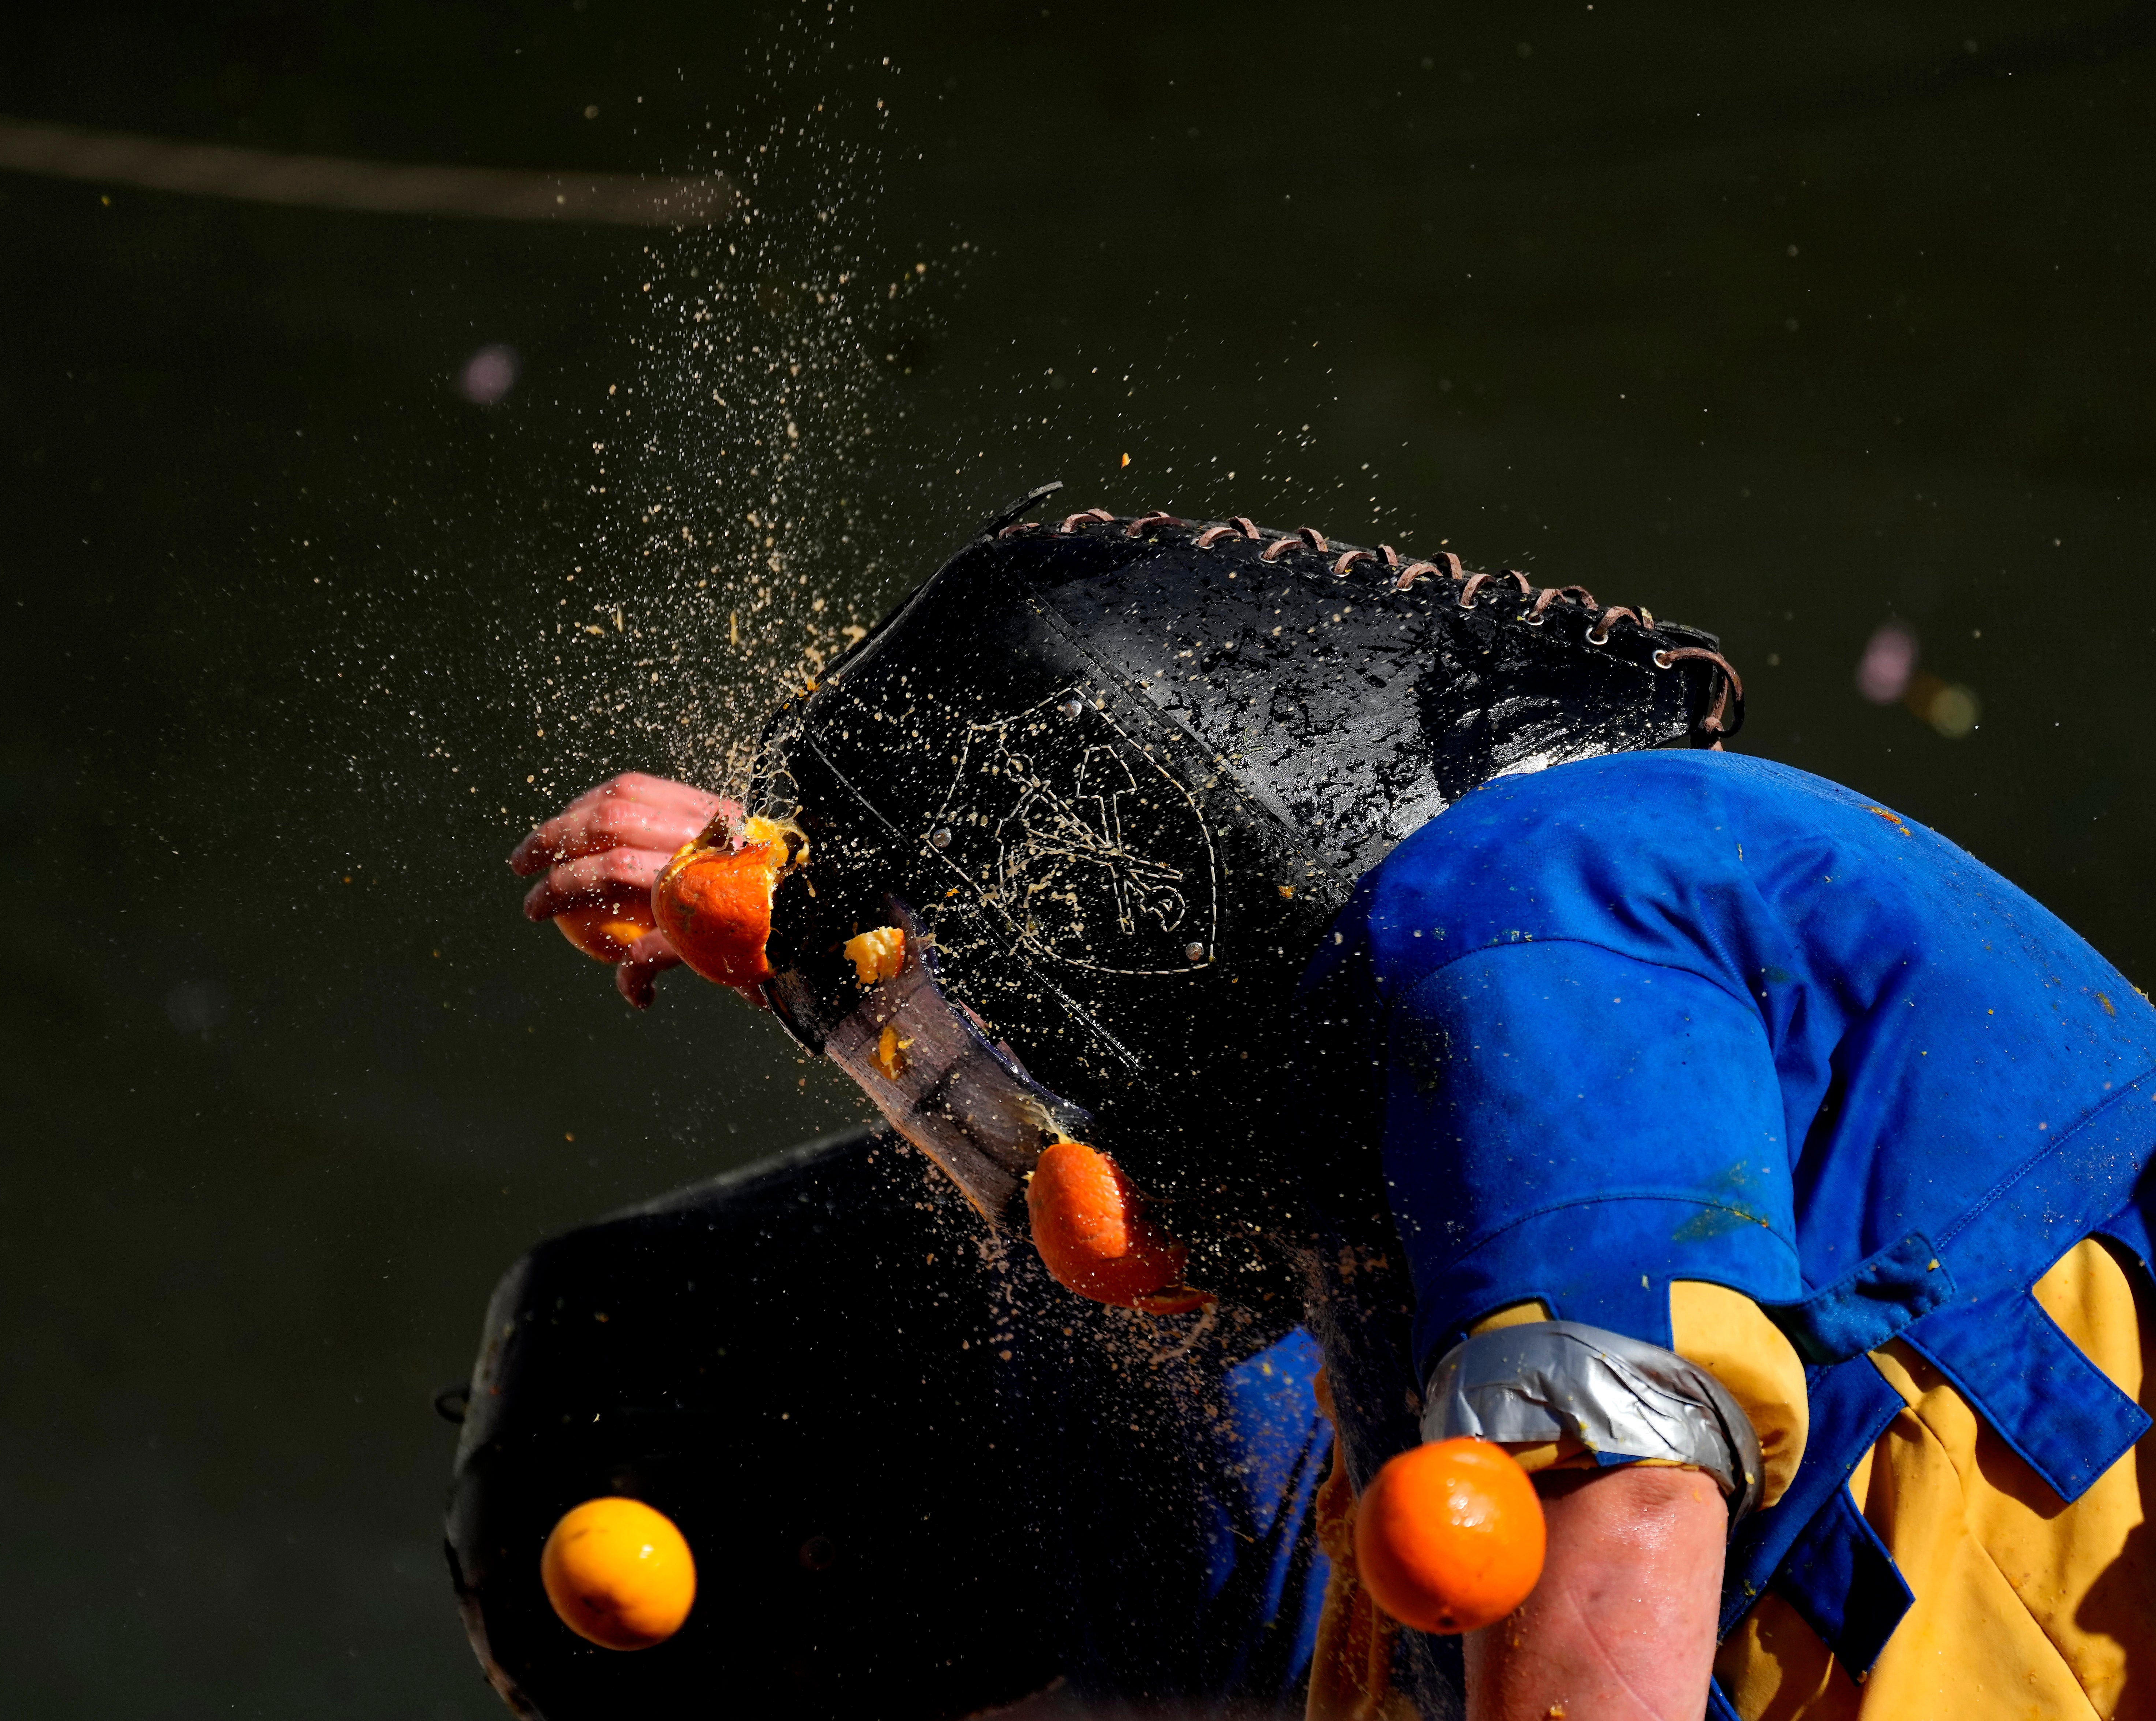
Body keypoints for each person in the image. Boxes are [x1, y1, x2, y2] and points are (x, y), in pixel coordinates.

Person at [512, 499, 2156, 1720]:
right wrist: (819, 942)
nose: (1077, 1213)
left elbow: (1620, 1493)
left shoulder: (1526, 900)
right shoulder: (1383, 1251)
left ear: (1150, 919)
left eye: (1004, 1075)